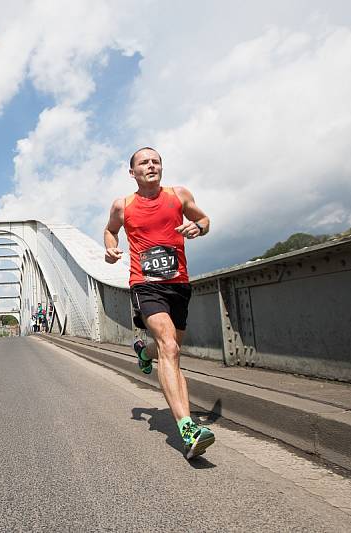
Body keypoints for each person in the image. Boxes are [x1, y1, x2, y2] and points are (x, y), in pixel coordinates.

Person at [104, 146, 214, 460]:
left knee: (169, 348)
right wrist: (111, 249)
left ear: (161, 168)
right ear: (132, 172)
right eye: (144, 162)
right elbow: (110, 231)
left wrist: (199, 227)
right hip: (145, 285)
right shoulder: (122, 206)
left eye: (156, 161)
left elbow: (205, 219)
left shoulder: (178, 195)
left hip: (179, 285)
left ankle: (142, 351)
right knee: (170, 346)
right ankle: (187, 428)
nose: (151, 165)